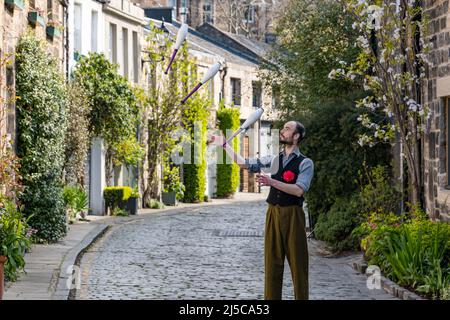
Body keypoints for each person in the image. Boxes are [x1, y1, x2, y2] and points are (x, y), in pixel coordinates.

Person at [210, 121, 314, 300]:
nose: (282, 131)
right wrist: (224, 144)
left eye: (287, 129)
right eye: (282, 128)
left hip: (293, 215)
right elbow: (244, 163)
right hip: (273, 214)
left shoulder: (305, 163)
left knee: (299, 266)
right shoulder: (275, 160)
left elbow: (299, 190)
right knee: (272, 265)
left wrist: (271, 182)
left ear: (296, 136)